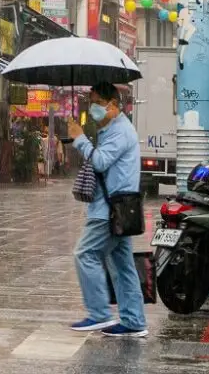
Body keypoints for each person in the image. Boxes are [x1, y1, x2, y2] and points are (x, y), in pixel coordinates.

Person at [67, 82, 147, 339]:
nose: (94, 109)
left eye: (98, 103)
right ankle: (134, 320)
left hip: (110, 209)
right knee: (122, 264)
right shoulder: (111, 128)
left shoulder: (120, 131)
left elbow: (100, 162)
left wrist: (79, 139)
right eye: (91, 103)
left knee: (85, 254)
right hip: (118, 207)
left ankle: (99, 313)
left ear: (113, 105)